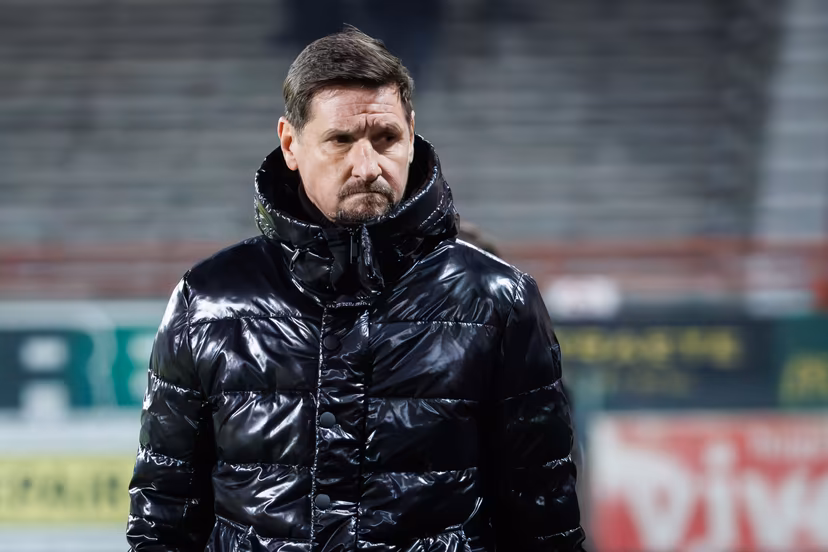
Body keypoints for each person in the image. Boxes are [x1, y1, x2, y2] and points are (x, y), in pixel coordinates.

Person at [127, 27, 585, 552]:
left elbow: (544, 520)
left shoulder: (500, 301)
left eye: (386, 139)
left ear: (412, 134)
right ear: (290, 144)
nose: (367, 166)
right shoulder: (206, 301)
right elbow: (163, 518)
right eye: (341, 140)